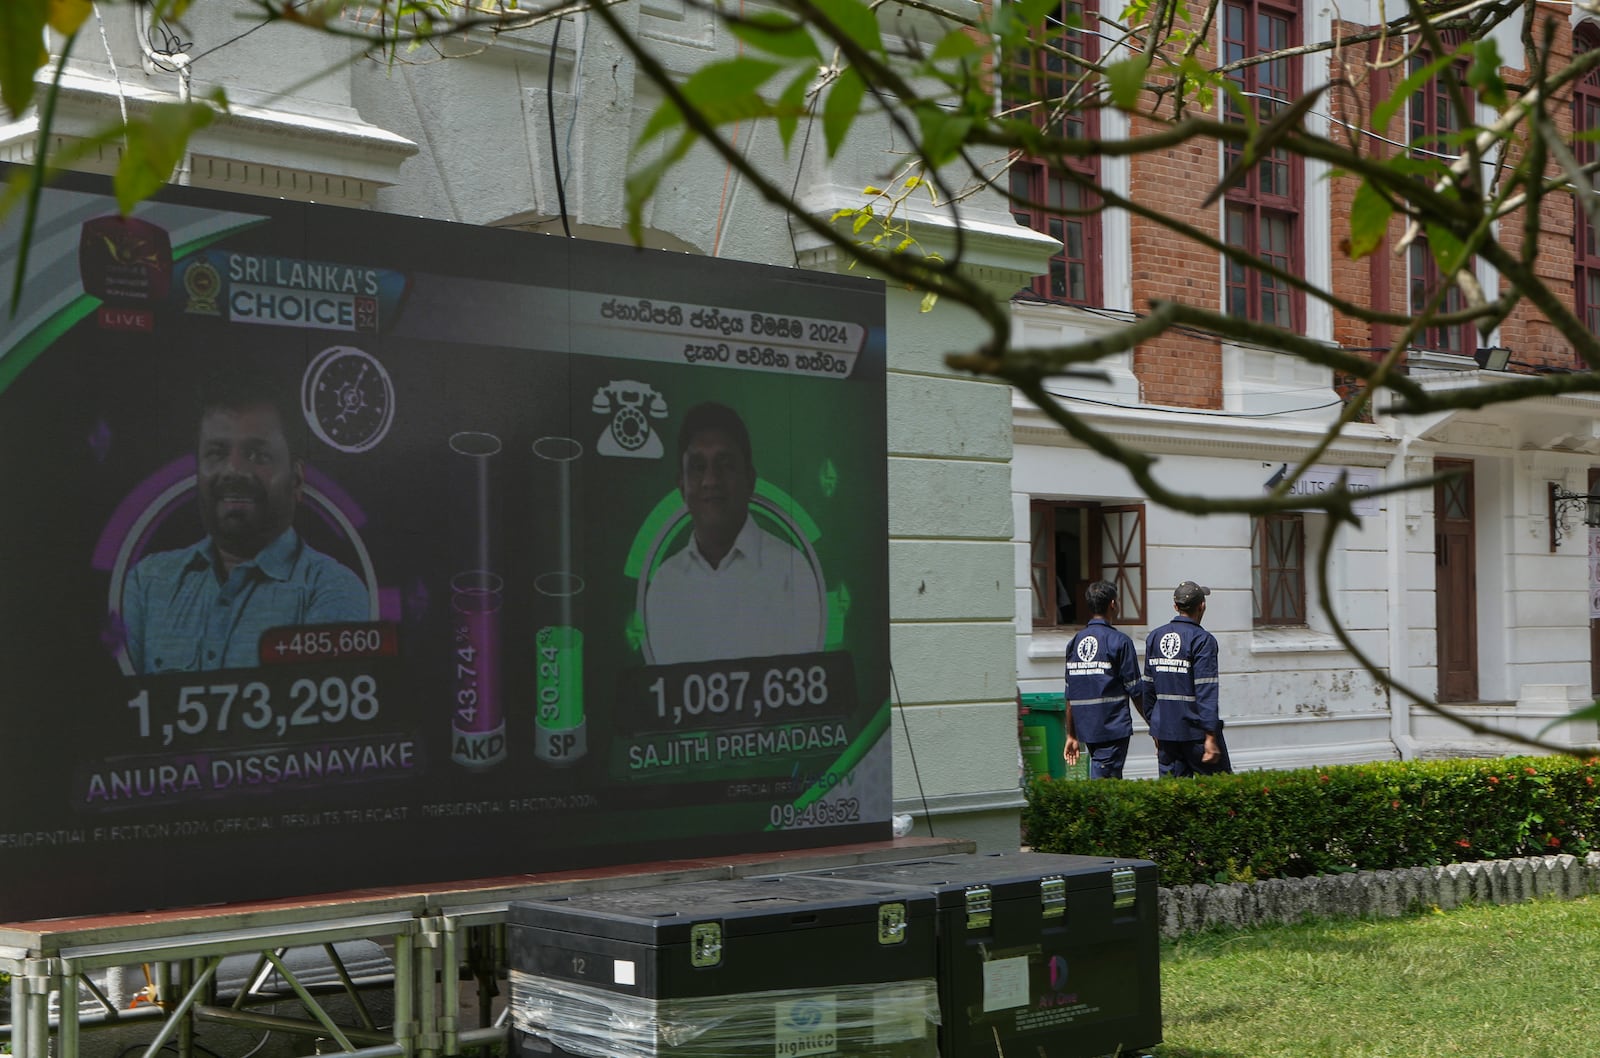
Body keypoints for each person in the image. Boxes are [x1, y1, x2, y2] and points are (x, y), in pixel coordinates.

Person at [121, 373, 369, 673]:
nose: (234, 470)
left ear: (297, 480)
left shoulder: (331, 588)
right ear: (197, 472)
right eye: (216, 453)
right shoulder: (148, 582)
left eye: (257, 454)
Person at [643, 401, 823, 664]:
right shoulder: (664, 585)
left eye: (724, 464)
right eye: (698, 467)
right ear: (682, 487)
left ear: (750, 480)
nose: (710, 480)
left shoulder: (792, 571)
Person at [1143, 580, 1232, 777]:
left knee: (1173, 797)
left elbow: (1148, 688)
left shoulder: (1155, 637)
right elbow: (1206, 689)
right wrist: (1210, 735)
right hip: (1196, 734)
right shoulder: (1202, 640)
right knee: (1221, 791)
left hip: (1166, 732)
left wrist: (1155, 726)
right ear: (1202, 606)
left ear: (1176, 606)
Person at [1063, 580, 1149, 779]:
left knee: (1106, 783)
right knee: (1104, 791)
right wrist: (1154, 725)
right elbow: (1136, 691)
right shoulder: (1120, 641)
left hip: (1087, 730)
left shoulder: (1075, 642)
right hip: (1112, 729)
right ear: (1113, 604)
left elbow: (1070, 694)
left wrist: (1071, 734)